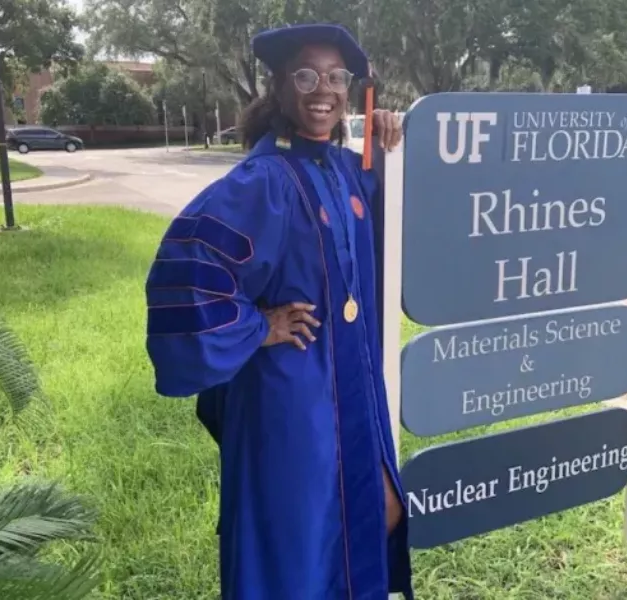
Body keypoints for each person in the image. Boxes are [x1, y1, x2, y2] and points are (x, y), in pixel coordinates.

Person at [145, 23, 413, 600]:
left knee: (380, 510)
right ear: (280, 87)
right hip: (292, 394)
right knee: (298, 541)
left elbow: (388, 234)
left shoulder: (343, 168)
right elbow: (189, 268)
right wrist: (259, 326)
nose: (324, 88)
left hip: (354, 387)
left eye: (337, 76)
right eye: (307, 74)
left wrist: (390, 144)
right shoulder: (263, 180)